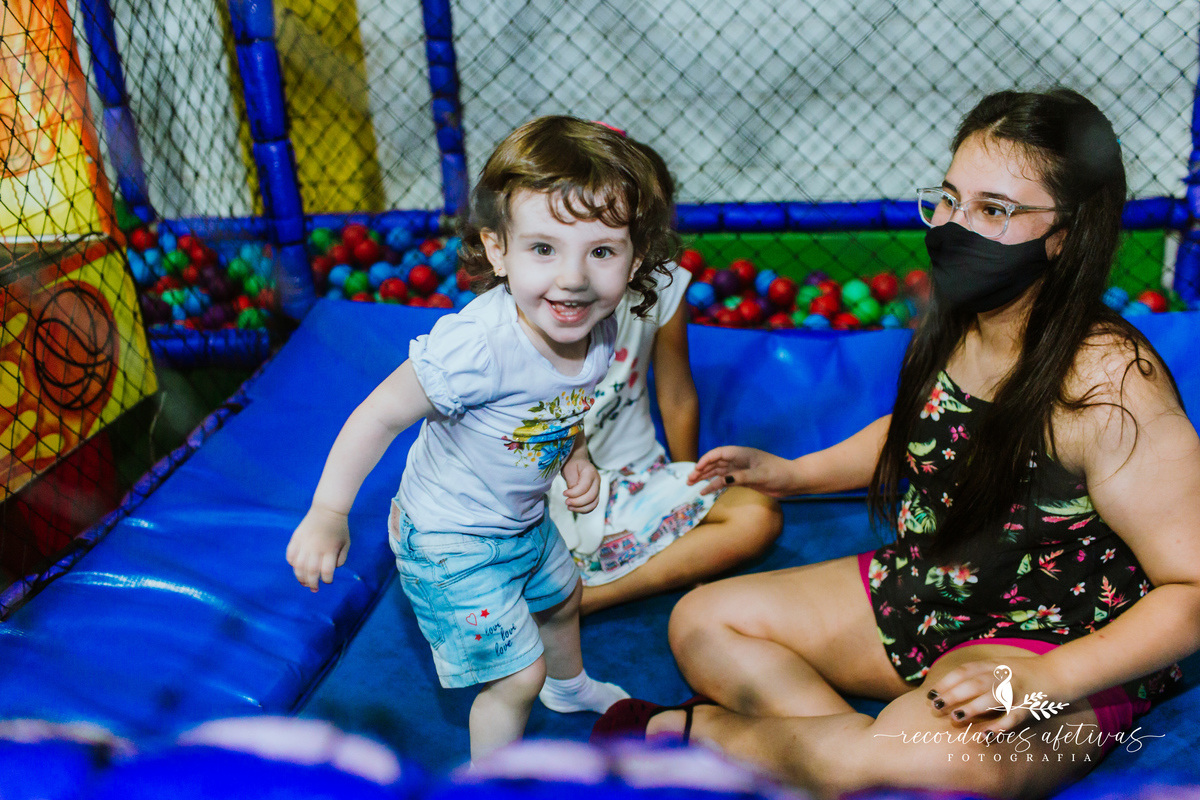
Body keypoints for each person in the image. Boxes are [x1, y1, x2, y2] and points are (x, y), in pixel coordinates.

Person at [593, 88, 1200, 799]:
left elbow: (1192, 589)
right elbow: (928, 431)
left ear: (1066, 233)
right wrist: (796, 473)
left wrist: (1049, 678)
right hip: (935, 590)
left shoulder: (1111, 386)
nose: (953, 226)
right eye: (948, 200)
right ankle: (855, 760)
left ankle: (696, 736)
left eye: (994, 211)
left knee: (946, 764)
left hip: (1053, 642)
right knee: (703, 622)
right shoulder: (965, 313)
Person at [286, 116, 678, 761]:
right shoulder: (479, 346)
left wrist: (575, 454)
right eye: (544, 248)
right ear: (498, 250)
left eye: (601, 251)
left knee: (561, 598)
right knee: (514, 677)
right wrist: (328, 513)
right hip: (449, 538)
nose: (574, 277)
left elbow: (562, 403)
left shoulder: (599, 326)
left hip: (521, 518)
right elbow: (378, 414)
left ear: (635, 258)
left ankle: (569, 686)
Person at [546, 134, 782, 616]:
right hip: (552, 489)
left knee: (757, 514)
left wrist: (687, 484)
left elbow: (675, 394)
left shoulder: (664, 284)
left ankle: (585, 599)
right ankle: (567, 576)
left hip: (633, 480)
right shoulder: (547, 294)